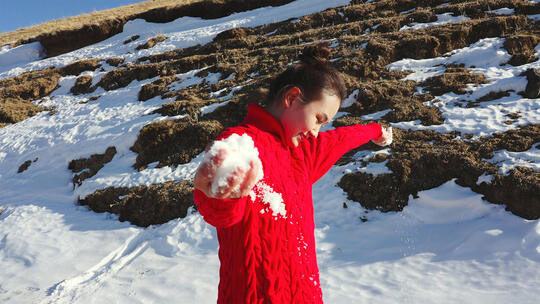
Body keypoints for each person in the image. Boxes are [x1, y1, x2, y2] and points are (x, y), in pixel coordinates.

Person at [193, 42, 392, 303]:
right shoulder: (241, 143)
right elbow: (220, 212)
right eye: (318, 119)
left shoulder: (304, 152)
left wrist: (374, 131)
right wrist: (218, 195)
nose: (316, 131)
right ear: (291, 98)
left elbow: (341, 138)